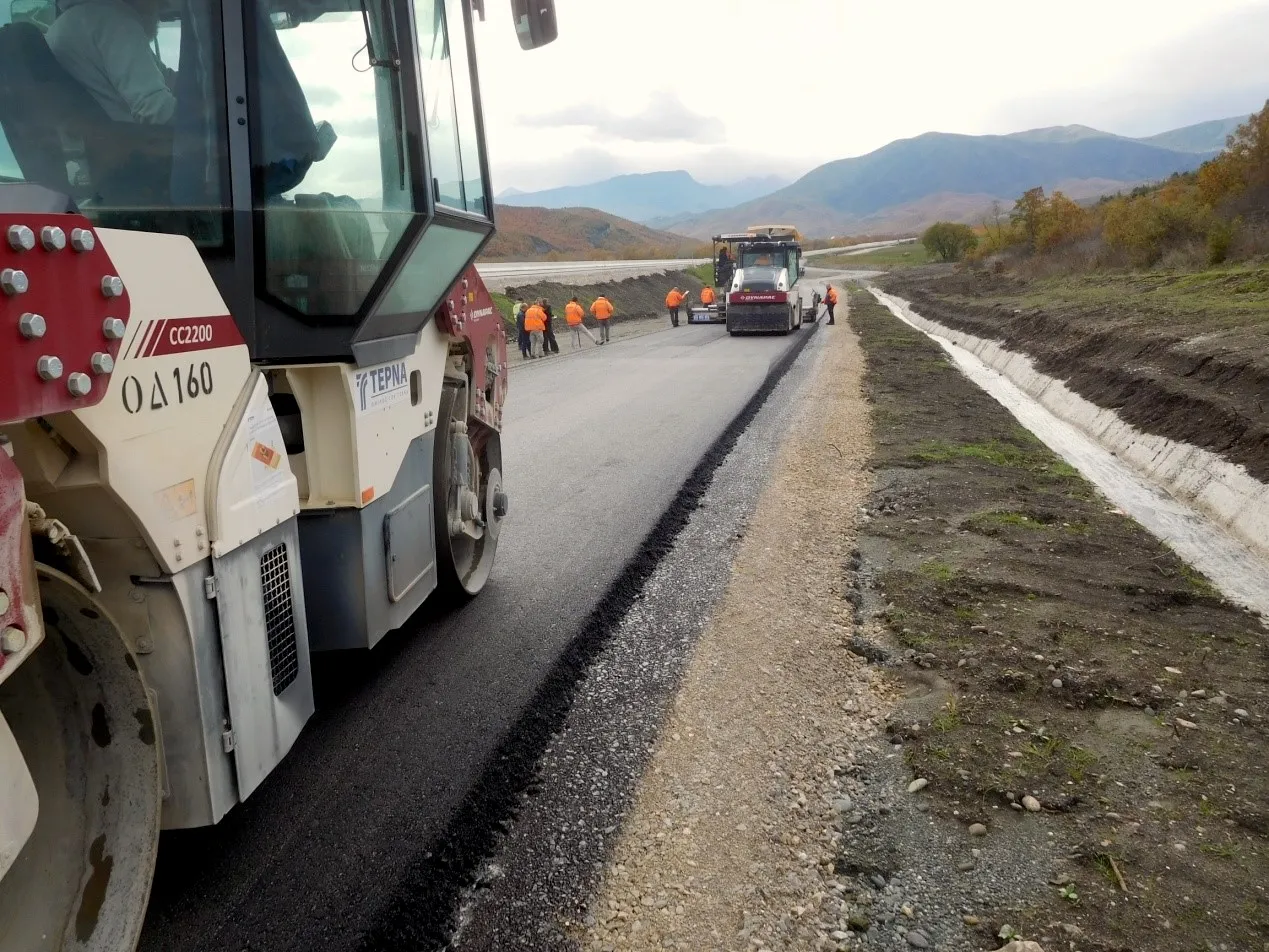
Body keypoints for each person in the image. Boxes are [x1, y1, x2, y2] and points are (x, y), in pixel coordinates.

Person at [47, 0, 176, 126]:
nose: (160, 10)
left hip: (89, 133)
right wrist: (188, 120)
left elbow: (163, 75)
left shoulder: (68, 23)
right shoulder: (118, 23)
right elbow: (154, 108)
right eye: (157, 3)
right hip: (121, 136)